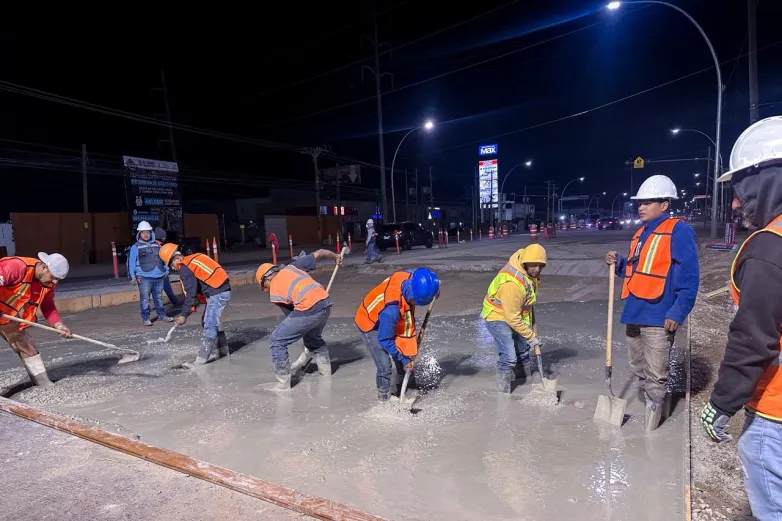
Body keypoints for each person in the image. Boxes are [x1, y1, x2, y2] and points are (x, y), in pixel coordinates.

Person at [698, 116, 782, 520]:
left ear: (767, 180)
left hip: (776, 409)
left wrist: (722, 402)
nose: (735, 204)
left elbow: (753, 337)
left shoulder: (770, 246)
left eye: (740, 191)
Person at [606, 174, 699, 431]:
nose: (641, 207)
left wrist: (678, 311)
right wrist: (619, 263)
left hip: (659, 315)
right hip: (635, 312)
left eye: (648, 202)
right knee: (638, 366)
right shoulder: (640, 234)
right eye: (640, 202)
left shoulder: (678, 230)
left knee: (657, 372)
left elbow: (690, 276)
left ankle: (652, 425)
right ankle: (652, 405)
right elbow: (637, 272)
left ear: (665, 204)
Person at [255, 249, 342, 390]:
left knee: (277, 340)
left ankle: (283, 383)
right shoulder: (292, 267)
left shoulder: (275, 292)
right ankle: (326, 373)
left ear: (267, 280)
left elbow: (293, 317)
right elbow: (319, 253)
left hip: (308, 308)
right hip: (325, 304)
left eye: (265, 286)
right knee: (314, 339)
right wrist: (336, 256)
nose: (267, 289)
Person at [354, 268, 440, 402]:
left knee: (403, 351)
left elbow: (425, 280)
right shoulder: (391, 311)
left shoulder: (410, 277)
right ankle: (384, 398)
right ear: (412, 296)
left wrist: (434, 290)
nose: (417, 305)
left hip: (386, 315)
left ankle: (406, 387)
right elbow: (385, 340)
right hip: (369, 322)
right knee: (384, 366)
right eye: (417, 302)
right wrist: (405, 360)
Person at [481, 245, 546, 394]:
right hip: (496, 316)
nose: (537, 269)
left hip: (515, 312)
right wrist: (531, 336)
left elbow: (526, 302)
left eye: (541, 265)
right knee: (509, 357)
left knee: (523, 350)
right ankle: (503, 393)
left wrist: (529, 330)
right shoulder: (512, 283)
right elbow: (512, 318)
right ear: (525, 263)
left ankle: (525, 381)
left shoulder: (531, 275)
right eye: (533, 265)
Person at [0, 252, 71, 387]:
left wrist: (58, 324)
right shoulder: (17, 267)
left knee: (26, 346)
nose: (54, 282)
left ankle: (42, 383)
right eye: (53, 277)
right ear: (44, 267)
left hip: (6, 314)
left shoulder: (47, 283)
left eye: (57, 279)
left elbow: (47, 304)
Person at [159, 243, 231, 369]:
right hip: (222, 289)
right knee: (210, 321)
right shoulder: (194, 259)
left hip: (217, 293)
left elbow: (190, 294)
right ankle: (223, 351)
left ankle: (201, 360)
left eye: (171, 265)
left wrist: (183, 315)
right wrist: (188, 311)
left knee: (209, 324)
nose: (173, 269)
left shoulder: (185, 267)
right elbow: (197, 290)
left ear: (177, 259)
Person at [127, 221, 173, 326]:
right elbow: (131, 263)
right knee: (145, 299)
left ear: (151, 232)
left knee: (159, 298)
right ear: (139, 234)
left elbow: (164, 258)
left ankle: (162, 315)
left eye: (147, 232)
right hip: (144, 277)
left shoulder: (157, 245)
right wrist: (132, 277)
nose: (145, 235)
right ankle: (146, 318)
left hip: (159, 276)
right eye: (143, 233)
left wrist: (166, 270)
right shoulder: (135, 247)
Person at [154, 227, 180, 307]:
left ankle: (159, 306)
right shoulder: (161, 247)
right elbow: (165, 260)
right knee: (168, 289)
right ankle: (176, 303)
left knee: (157, 292)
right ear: (161, 237)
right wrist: (167, 270)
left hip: (155, 272)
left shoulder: (152, 246)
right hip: (161, 271)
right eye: (164, 236)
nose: (165, 238)